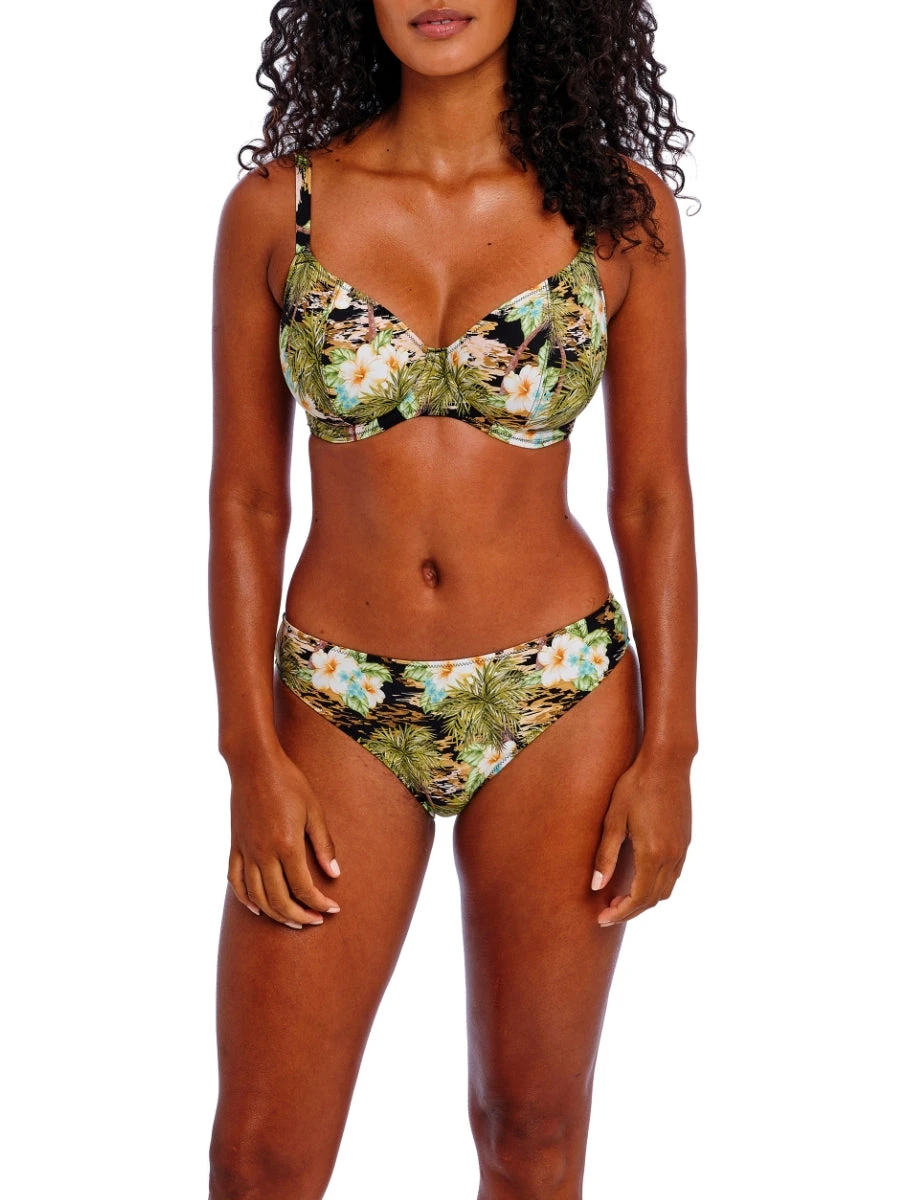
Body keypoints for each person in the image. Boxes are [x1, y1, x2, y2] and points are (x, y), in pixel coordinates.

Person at [207, 2, 697, 1196]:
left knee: (531, 1134)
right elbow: (247, 503)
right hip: (337, 697)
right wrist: (250, 757)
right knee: (262, 1157)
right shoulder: (278, 208)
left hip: (557, 694)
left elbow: (651, 499)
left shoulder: (617, 212)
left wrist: (671, 754)